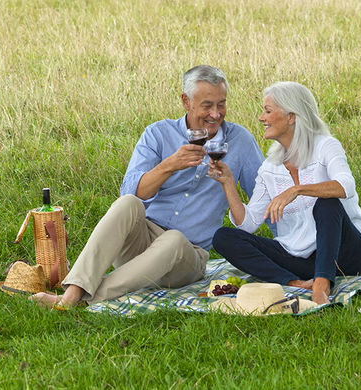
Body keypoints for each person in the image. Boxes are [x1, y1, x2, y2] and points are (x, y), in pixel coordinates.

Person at [30, 65, 263, 307]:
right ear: (186, 101)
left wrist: (289, 251)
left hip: (186, 257)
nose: (215, 114)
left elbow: (265, 193)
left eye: (221, 104)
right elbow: (131, 192)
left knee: (173, 239)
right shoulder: (158, 133)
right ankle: (74, 290)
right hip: (141, 242)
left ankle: (80, 300)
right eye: (207, 105)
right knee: (128, 203)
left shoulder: (240, 141)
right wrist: (169, 165)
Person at [209, 81, 361, 305]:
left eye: (268, 111)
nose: (261, 117)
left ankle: (322, 286)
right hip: (300, 258)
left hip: (346, 254)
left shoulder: (325, 146)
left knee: (327, 203)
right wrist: (228, 184)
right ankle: (293, 282)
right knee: (223, 237)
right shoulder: (270, 168)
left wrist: (296, 190)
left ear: (291, 116)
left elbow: (346, 186)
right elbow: (247, 224)